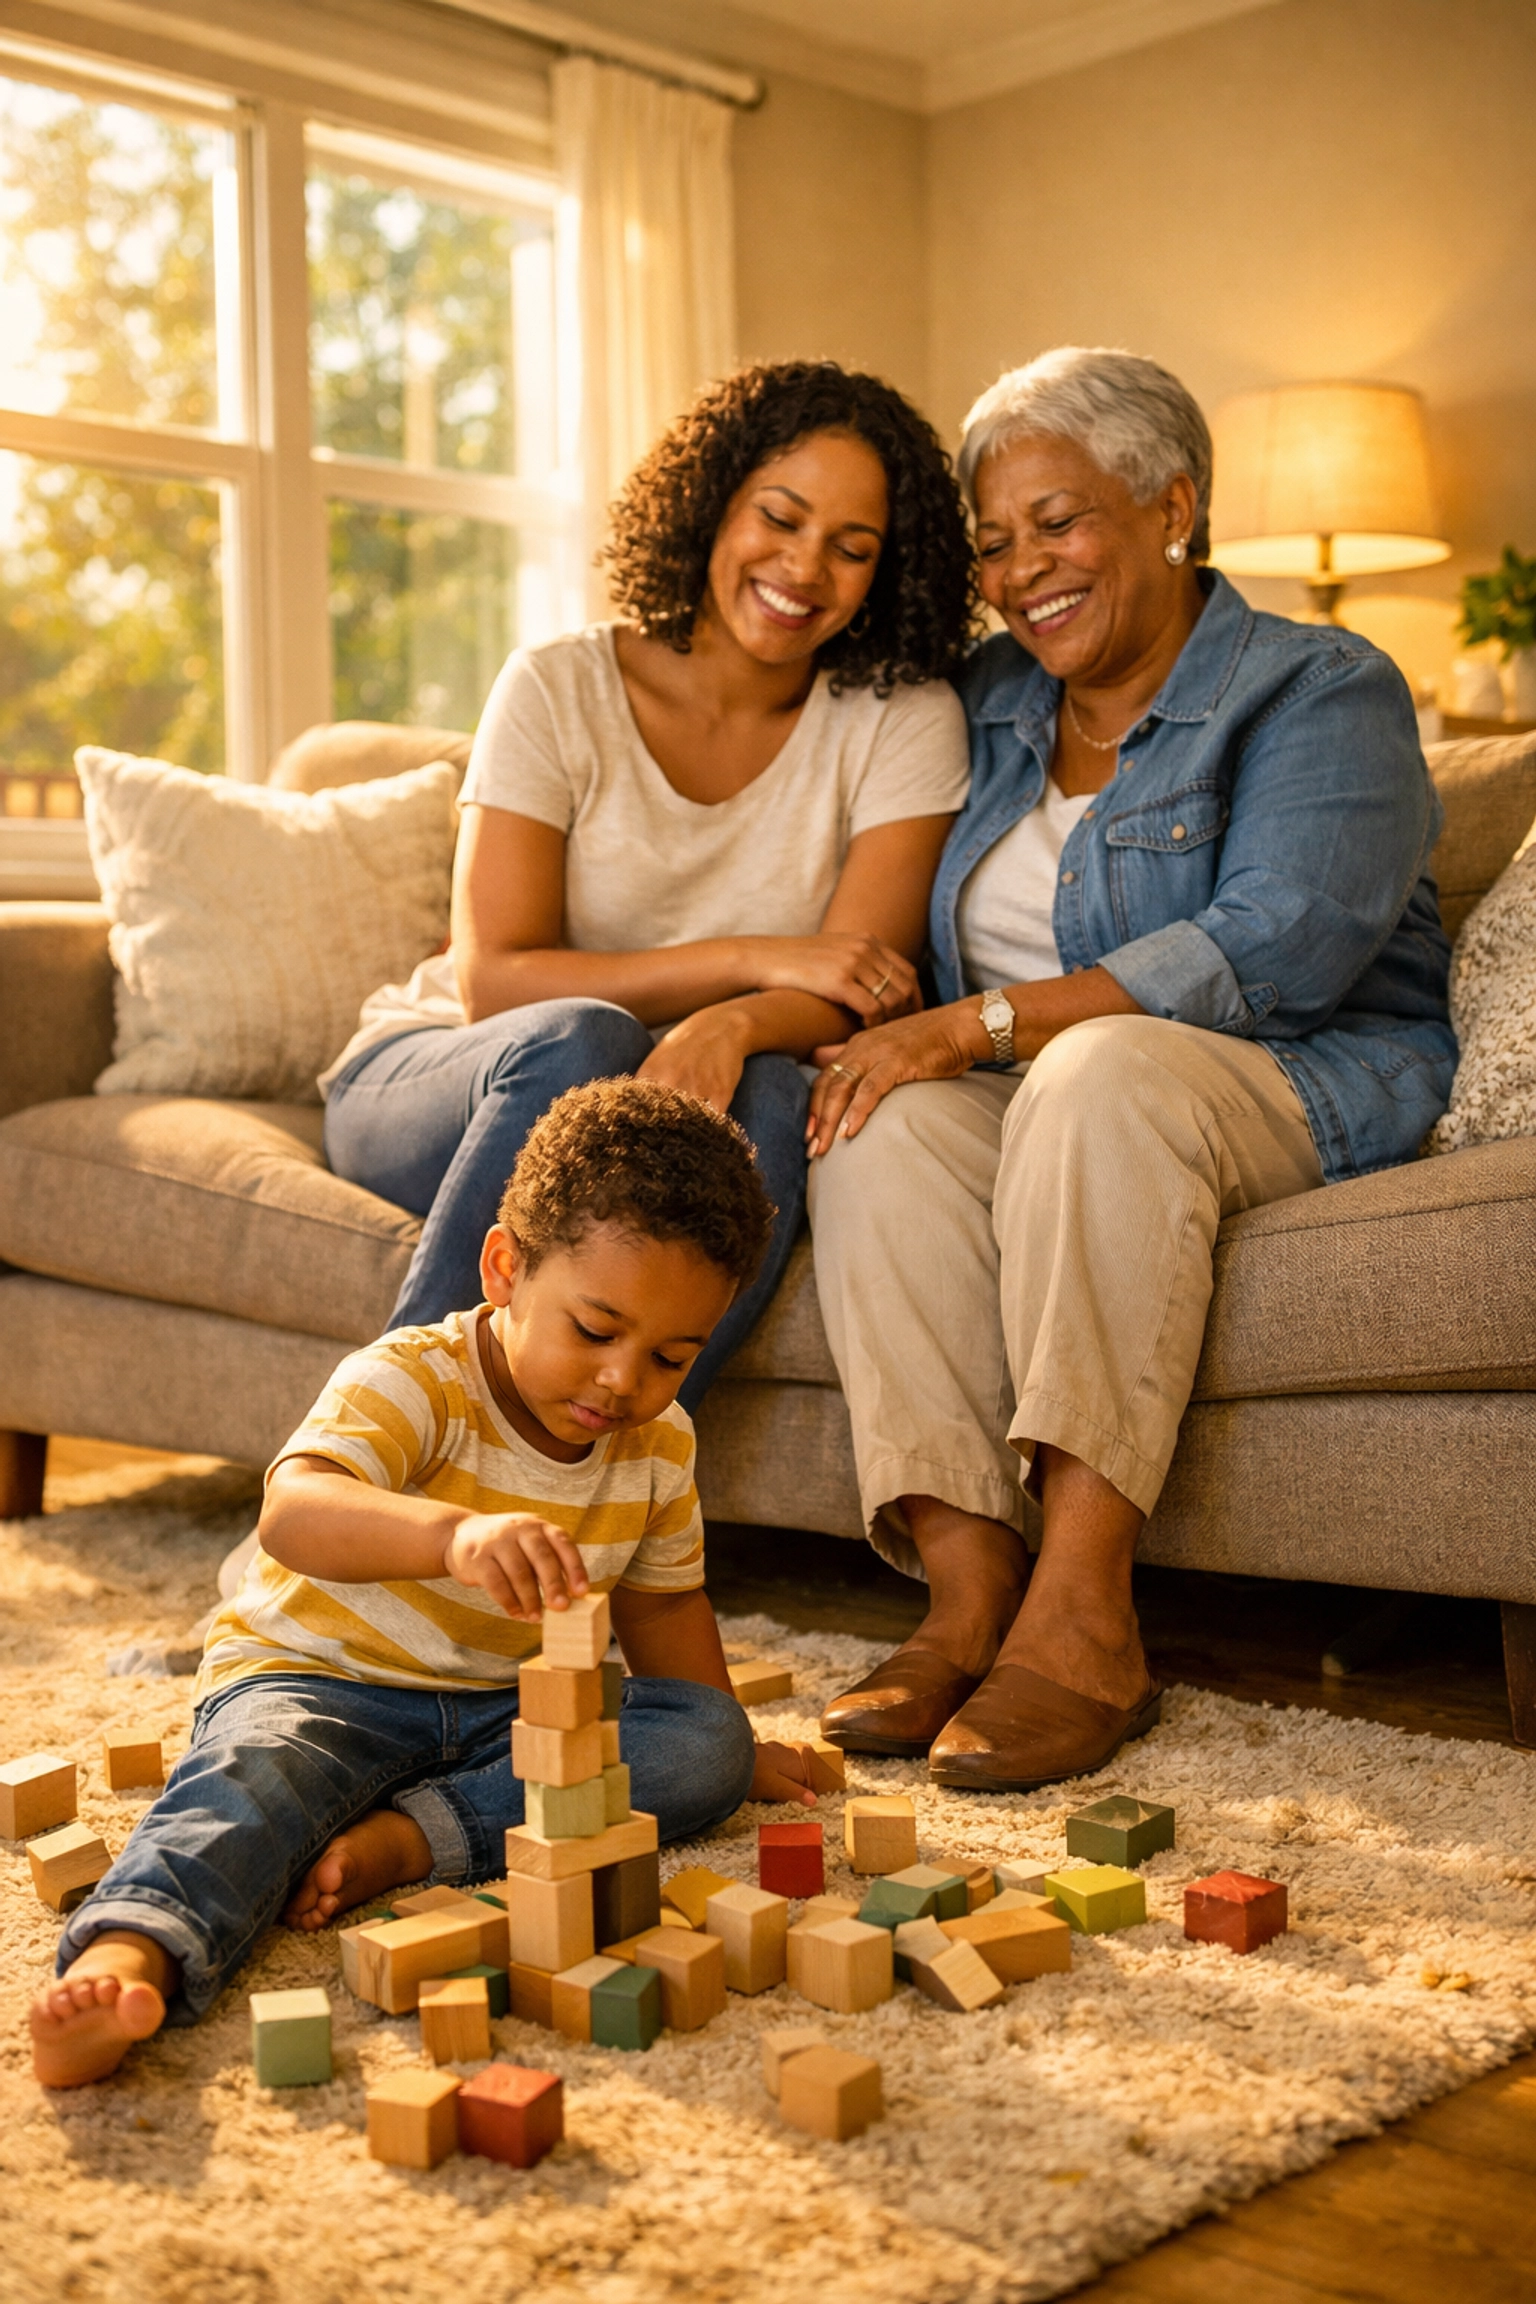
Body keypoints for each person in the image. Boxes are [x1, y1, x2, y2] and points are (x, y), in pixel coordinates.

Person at [804, 346, 1455, 1792]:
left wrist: (975, 1030)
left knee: (1096, 1067)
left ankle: (1088, 1616)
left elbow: (1275, 950)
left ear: (1173, 505)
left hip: (1299, 1073)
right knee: (875, 1119)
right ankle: (968, 1594)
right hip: (1062, 1096)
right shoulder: (977, 704)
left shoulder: (1321, 686)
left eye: (1059, 520)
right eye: (994, 540)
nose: (1022, 567)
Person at [31, 1080, 827, 2089]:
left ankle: (409, 1839)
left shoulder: (659, 1442)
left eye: (672, 1356)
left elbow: (664, 1605)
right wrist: (452, 1535)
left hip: (511, 1710)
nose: (625, 1381)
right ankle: (131, 1951)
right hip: (320, 1684)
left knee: (705, 1744)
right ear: (505, 1268)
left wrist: (729, 1744)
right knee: (250, 1784)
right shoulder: (415, 1379)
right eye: (594, 1330)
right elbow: (295, 1511)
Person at [321, 361, 976, 1406]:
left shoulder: (904, 718)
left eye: (852, 549)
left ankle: (582, 1493)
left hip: (688, 1087)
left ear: (885, 573)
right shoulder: (557, 685)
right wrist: (747, 966)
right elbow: (494, 981)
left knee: (766, 1091)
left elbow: (860, 983)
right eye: (781, 517)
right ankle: (365, 1451)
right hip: (447, 1074)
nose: (805, 568)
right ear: (712, 502)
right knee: (584, 1037)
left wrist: (737, 1025)